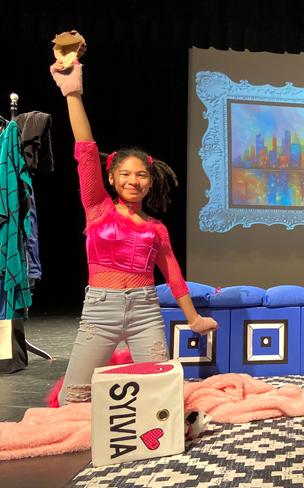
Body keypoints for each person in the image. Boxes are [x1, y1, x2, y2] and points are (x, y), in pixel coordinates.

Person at [50, 60, 217, 405]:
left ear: (150, 180)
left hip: (144, 311)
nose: (133, 181)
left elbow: (173, 276)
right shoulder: (98, 207)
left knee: (162, 397)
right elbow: (85, 151)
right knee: (73, 400)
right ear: (111, 177)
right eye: (125, 174)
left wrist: (194, 318)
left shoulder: (156, 228)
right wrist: (72, 92)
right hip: (100, 310)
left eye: (141, 175)